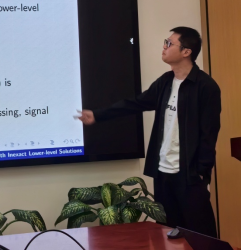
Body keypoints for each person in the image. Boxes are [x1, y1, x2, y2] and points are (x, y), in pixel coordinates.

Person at [76, 27, 221, 238]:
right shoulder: (165, 82)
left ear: (186, 52)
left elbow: (209, 134)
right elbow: (135, 103)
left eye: (169, 43)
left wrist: (201, 174)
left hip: (190, 177)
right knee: (169, 233)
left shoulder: (206, 87)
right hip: (163, 173)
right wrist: (98, 115)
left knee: (200, 234)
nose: (164, 47)